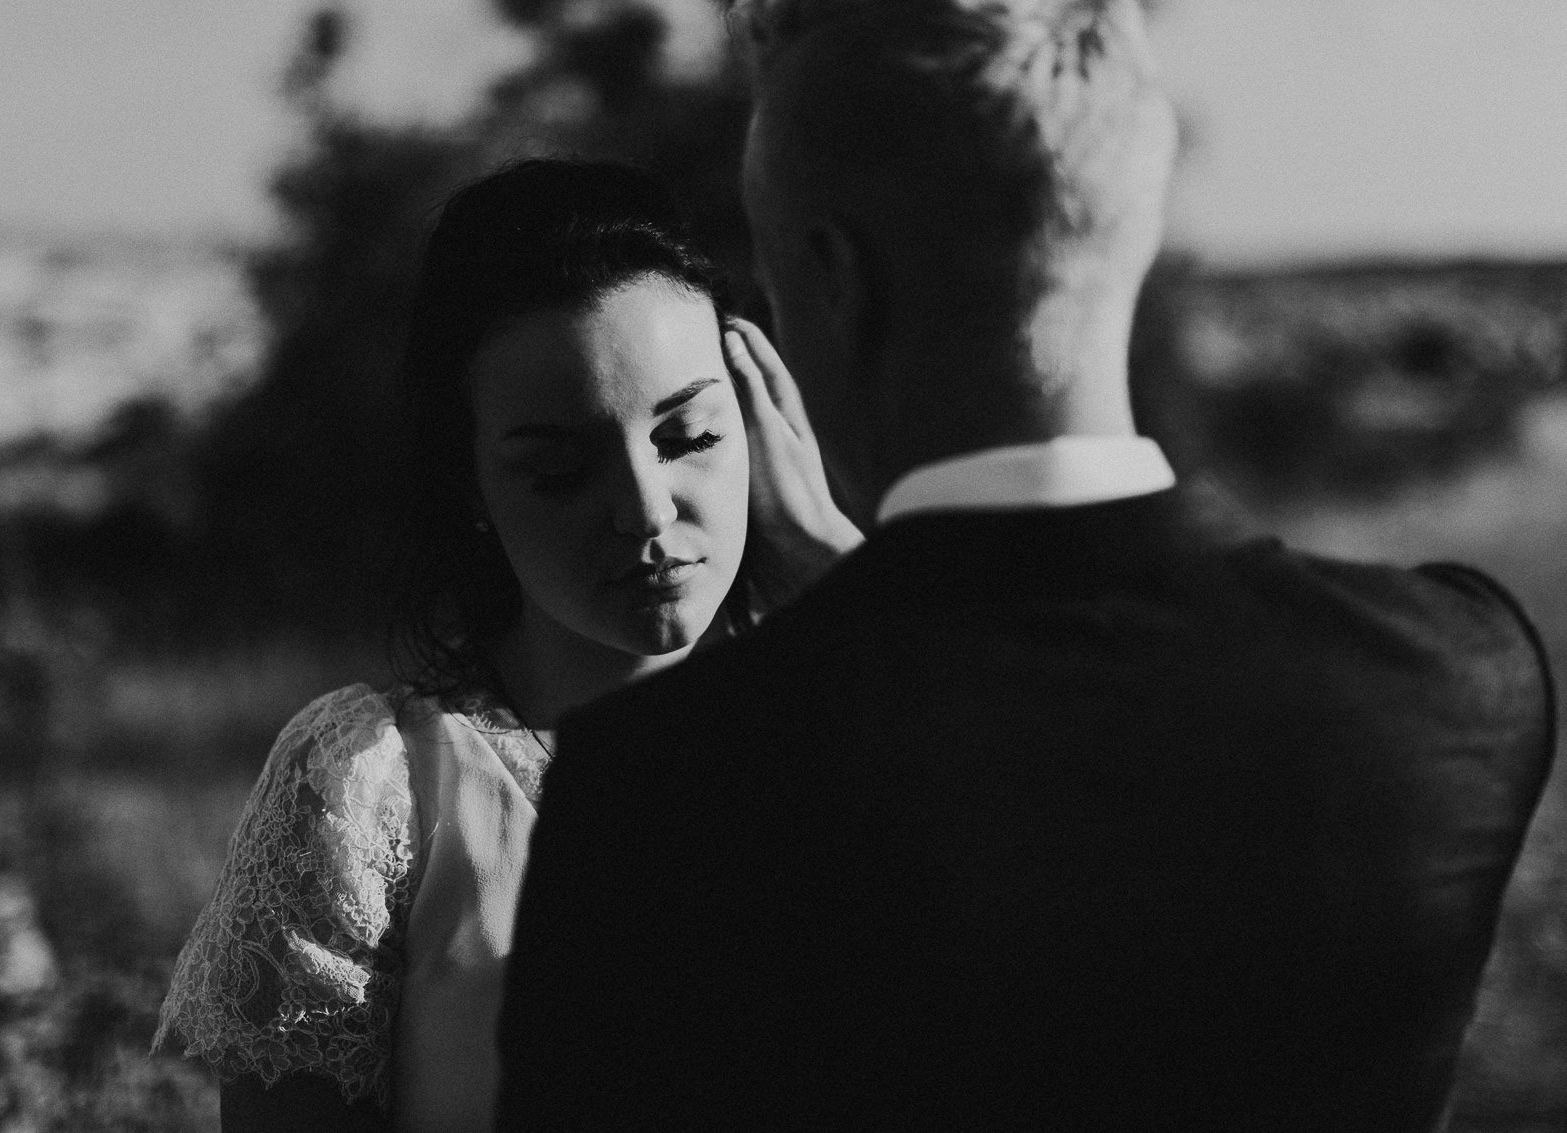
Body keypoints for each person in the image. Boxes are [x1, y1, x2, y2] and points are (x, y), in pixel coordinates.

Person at [494, 2, 1557, 1129]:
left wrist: (856, 610)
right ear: (1124, 232)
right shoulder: (1459, 679)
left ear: (832, 279)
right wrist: (868, 602)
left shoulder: (663, 789)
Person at [153, 157, 859, 1132]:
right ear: (470, 489)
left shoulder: (862, 732)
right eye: (560, 470)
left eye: (689, 435)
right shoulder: (374, 788)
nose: (645, 512)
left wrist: (851, 587)